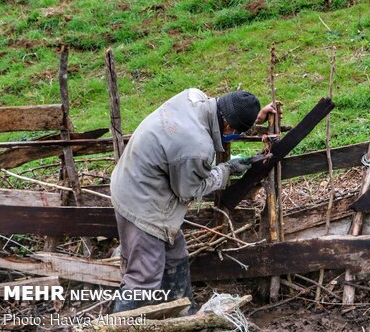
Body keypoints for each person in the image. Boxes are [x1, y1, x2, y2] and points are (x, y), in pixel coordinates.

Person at [110, 88, 277, 313]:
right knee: (144, 275)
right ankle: (117, 328)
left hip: (139, 180)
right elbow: (189, 190)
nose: (233, 136)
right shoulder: (196, 149)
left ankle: (180, 314)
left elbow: (226, 114)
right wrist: (226, 169)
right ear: (229, 127)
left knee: (176, 256)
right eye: (236, 132)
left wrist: (254, 118)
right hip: (142, 202)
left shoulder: (193, 97)